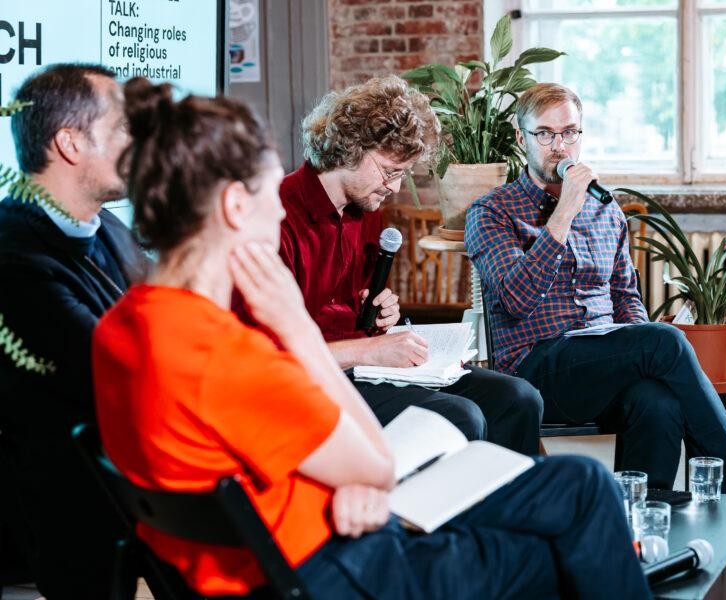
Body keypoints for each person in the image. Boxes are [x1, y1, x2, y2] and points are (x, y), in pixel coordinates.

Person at [92, 78, 651, 599]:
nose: (277, 203)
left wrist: (348, 483)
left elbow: (278, 451)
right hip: (347, 567)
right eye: (268, 188)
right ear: (236, 205)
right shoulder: (225, 353)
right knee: (579, 503)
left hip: (307, 536)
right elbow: (375, 466)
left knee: (570, 491)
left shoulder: (126, 324)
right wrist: (296, 328)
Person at [465, 82, 726, 573]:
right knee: (664, 342)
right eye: (545, 134)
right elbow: (516, 298)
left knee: (658, 399)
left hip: (603, 359)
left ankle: (636, 543)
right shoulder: (491, 212)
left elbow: (627, 301)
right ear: (522, 140)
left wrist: (640, 350)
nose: (559, 146)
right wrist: (563, 213)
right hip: (538, 365)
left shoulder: (606, 210)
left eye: (569, 133)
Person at [236, 75, 543, 454]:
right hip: (308, 380)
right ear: (349, 149)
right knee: (459, 416)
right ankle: (447, 513)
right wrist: (368, 351)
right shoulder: (274, 216)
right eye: (389, 171)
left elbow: (353, 310)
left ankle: (512, 511)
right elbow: (263, 355)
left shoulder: (365, 209)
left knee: (518, 397)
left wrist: (380, 316)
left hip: (365, 367)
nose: (395, 188)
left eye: (402, 174)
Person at [0, 64, 147, 597]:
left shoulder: (107, 227)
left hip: (133, 491)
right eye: (124, 129)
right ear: (69, 142)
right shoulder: (14, 255)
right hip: (76, 515)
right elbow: (120, 373)